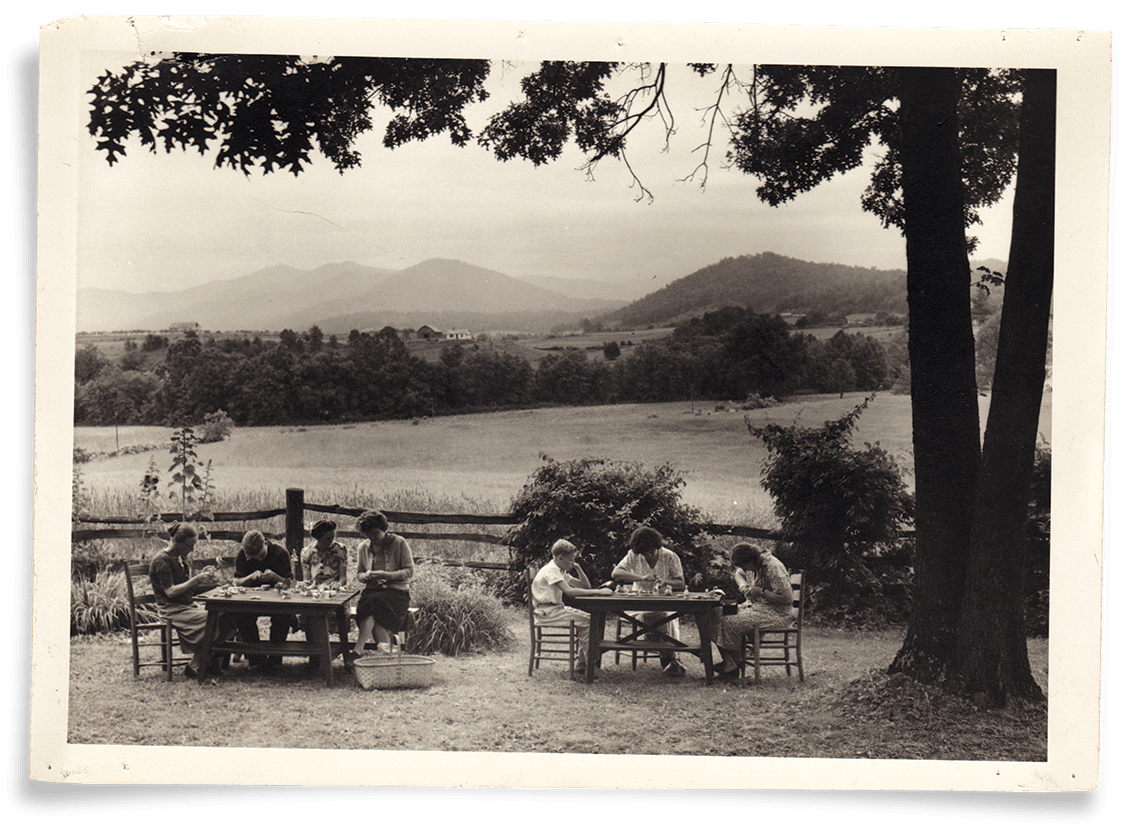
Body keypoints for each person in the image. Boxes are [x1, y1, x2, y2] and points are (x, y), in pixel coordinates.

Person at [147, 522, 231, 679]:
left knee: (226, 615)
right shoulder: (161, 561)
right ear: (177, 542)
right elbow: (171, 592)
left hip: (187, 606)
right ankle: (196, 665)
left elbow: (186, 587)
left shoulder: (180, 559)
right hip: (171, 610)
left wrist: (202, 578)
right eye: (189, 545)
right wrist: (195, 580)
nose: (192, 550)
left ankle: (206, 660)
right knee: (212, 618)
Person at [611, 526, 688, 676]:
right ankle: (670, 657)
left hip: (663, 601)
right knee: (648, 616)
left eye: (651, 551)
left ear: (657, 546)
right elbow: (616, 573)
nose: (649, 555)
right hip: (639, 602)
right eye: (645, 553)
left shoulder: (670, 556)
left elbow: (681, 583)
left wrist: (665, 582)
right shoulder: (633, 556)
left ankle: (670, 657)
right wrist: (640, 578)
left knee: (667, 616)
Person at [713, 542, 797, 680]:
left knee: (729, 622)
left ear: (750, 560)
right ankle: (732, 663)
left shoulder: (773, 567)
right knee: (715, 614)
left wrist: (761, 592)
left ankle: (734, 666)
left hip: (775, 614)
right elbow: (738, 574)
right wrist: (743, 586)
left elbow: (787, 598)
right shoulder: (753, 564)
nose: (744, 569)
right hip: (755, 608)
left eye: (744, 566)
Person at [530, 539, 614, 674]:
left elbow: (585, 587)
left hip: (555, 609)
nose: (572, 562)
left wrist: (578, 568)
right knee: (588, 621)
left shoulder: (560, 570)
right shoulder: (551, 571)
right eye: (571, 560)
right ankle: (590, 665)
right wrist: (599, 591)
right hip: (547, 612)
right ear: (560, 557)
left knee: (590, 619)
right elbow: (570, 592)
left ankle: (582, 664)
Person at [350, 511, 415, 660]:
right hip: (372, 591)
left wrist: (388, 576)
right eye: (368, 535)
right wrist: (366, 576)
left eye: (375, 533)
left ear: (383, 528)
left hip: (396, 593)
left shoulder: (399, 542)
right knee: (371, 604)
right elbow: (359, 574)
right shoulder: (363, 547)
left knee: (373, 603)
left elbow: (409, 571)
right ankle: (388, 655)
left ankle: (357, 651)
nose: (372, 538)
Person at [232, 530, 297, 668]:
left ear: (266, 543)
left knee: (283, 616)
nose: (259, 560)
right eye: (254, 558)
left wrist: (275, 577)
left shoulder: (281, 553)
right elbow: (236, 582)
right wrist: (250, 577)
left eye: (261, 555)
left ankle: (275, 657)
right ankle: (255, 658)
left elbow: (290, 584)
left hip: (278, 602)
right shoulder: (242, 554)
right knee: (242, 615)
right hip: (250, 602)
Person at [301, 520, 349, 588]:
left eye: (332, 537)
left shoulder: (340, 549)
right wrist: (308, 587)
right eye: (327, 538)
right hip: (314, 588)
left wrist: (338, 586)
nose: (331, 541)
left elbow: (343, 578)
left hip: (334, 588)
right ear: (318, 538)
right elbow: (306, 579)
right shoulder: (307, 552)